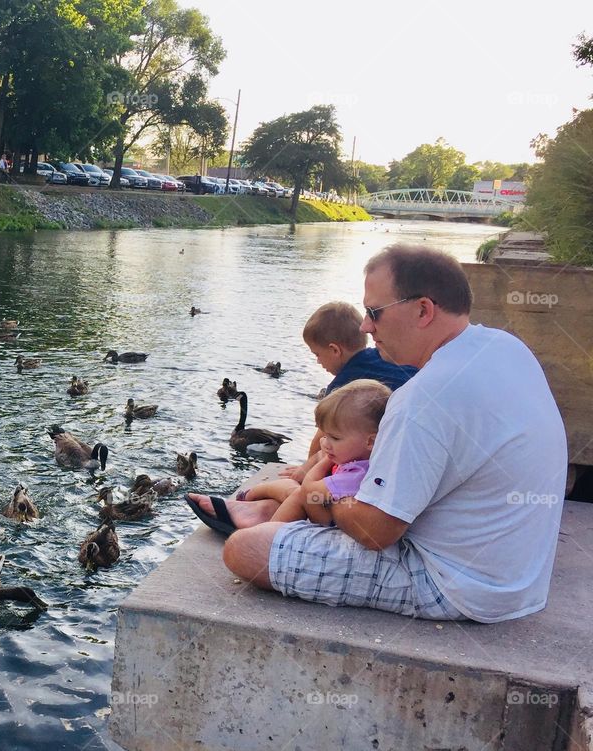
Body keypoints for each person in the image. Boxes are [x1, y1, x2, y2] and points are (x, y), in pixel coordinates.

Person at [190, 244, 567, 622]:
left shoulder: (423, 398)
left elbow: (375, 532)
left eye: (374, 312)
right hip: (519, 575)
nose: (365, 327)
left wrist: (320, 493)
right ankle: (275, 507)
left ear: (423, 310)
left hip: (457, 584)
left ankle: (271, 511)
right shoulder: (506, 347)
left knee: (244, 549)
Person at [269, 301, 416, 488]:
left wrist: (305, 471)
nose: (318, 362)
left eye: (317, 354)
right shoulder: (384, 356)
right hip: (401, 446)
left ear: (334, 350)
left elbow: (322, 435)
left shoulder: (344, 387)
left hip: (376, 454)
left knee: (327, 445)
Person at [261, 379, 391, 524]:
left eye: (335, 437)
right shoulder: (366, 461)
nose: (324, 443)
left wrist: (326, 460)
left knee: (298, 494)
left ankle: (268, 533)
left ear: (371, 442)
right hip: (334, 515)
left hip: (332, 525)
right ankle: (250, 498)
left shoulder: (357, 473)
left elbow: (309, 489)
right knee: (290, 490)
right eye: (325, 436)